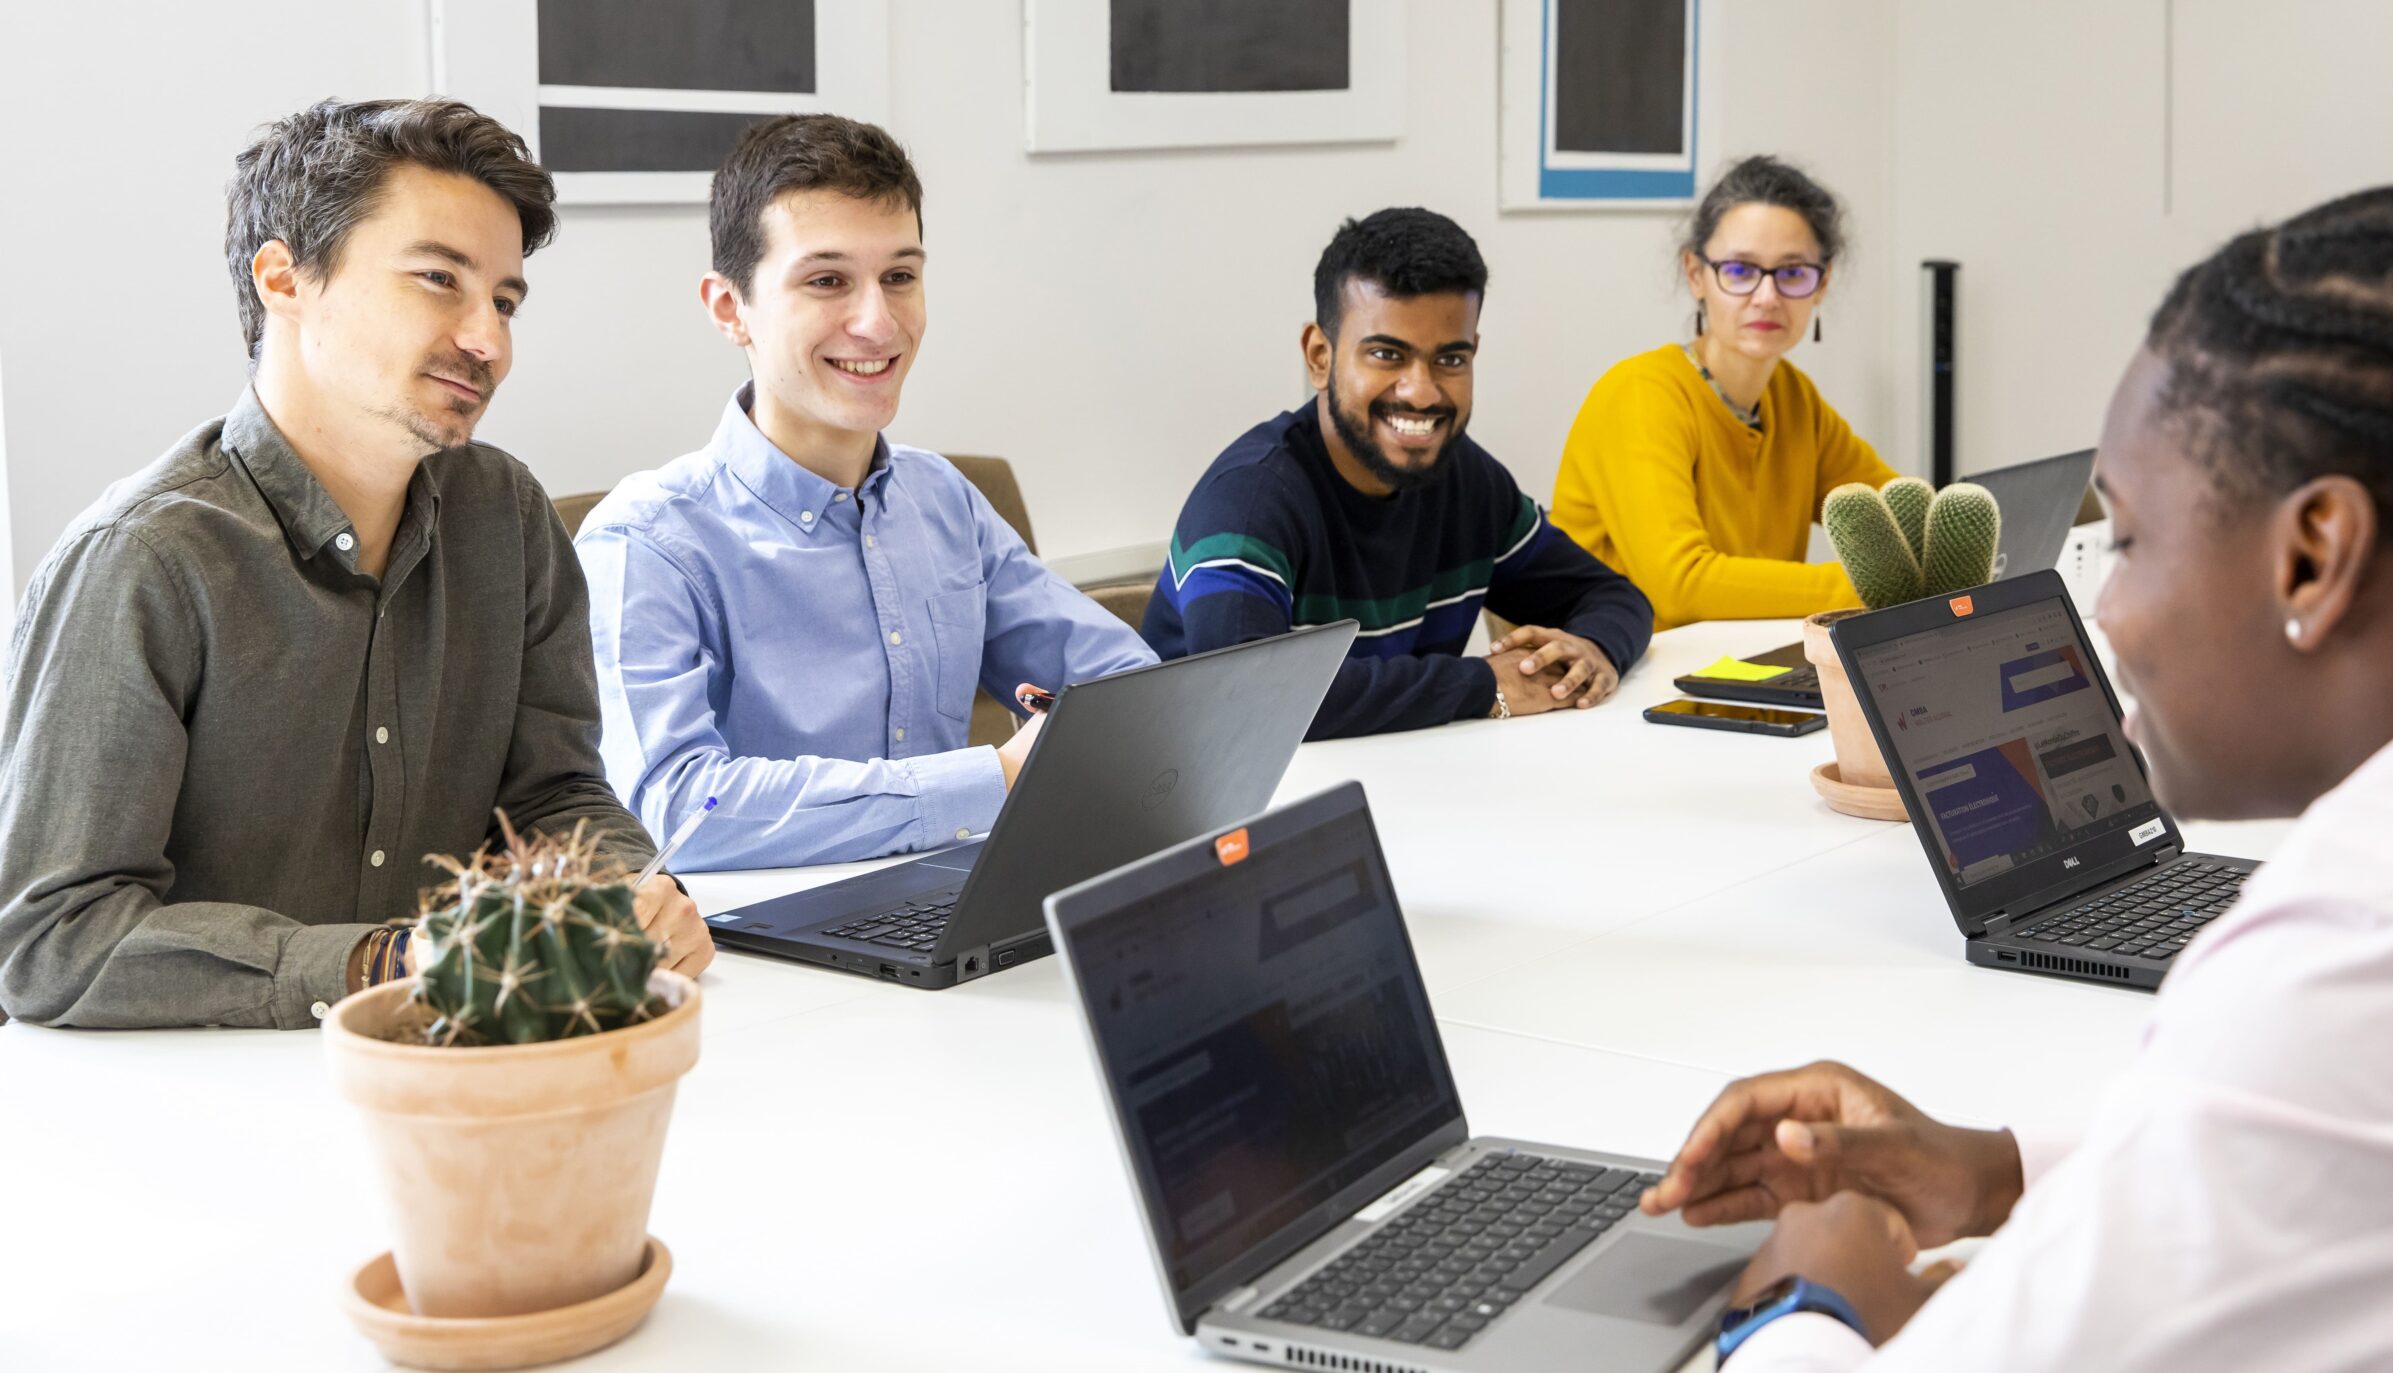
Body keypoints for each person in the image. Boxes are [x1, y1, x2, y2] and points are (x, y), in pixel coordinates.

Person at [1644, 183, 2393, 1369]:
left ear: (2312, 552)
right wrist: (1991, 1169)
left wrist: (1804, 1296)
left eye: (2124, 538)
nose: (2104, 612)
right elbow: (2326, 1151)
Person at [0, 99, 707, 1030]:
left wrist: (628, 886)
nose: (489, 340)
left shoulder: (509, 517)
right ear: (284, 279)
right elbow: (53, 938)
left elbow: (553, 792)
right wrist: (380, 960)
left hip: (455, 1071)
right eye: (437, 279)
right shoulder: (144, 559)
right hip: (192, 1104)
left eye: (502, 299)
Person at [576, 116, 1152, 870]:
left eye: (900, 276)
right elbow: (680, 810)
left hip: (949, 907)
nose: (878, 322)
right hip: (759, 960)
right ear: (729, 308)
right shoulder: (645, 540)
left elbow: (1131, 688)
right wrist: (996, 776)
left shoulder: (943, 498)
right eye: (827, 281)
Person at [1142, 208, 1652, 738]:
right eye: (1387, 355)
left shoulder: (1467, 480)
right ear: (1320, 356)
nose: (1421, 391)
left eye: (1450, 360)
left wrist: (1591, 651)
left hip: (1399, 785)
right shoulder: (1250, 499)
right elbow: (1246, 697)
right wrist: (1480, 685)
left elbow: (1614, 597)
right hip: (1229, 810)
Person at [1551, 156, 1899, 626]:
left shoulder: (1794, 397)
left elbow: (1896, 515)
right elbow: (1682, 589)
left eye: (1793, 272)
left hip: (1742, 673)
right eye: (1740, 271)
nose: (1767, 296)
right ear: (1696, 274)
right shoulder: (1640, 394)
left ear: (1823, 283)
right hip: (1630, 684)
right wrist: (1879, 586)